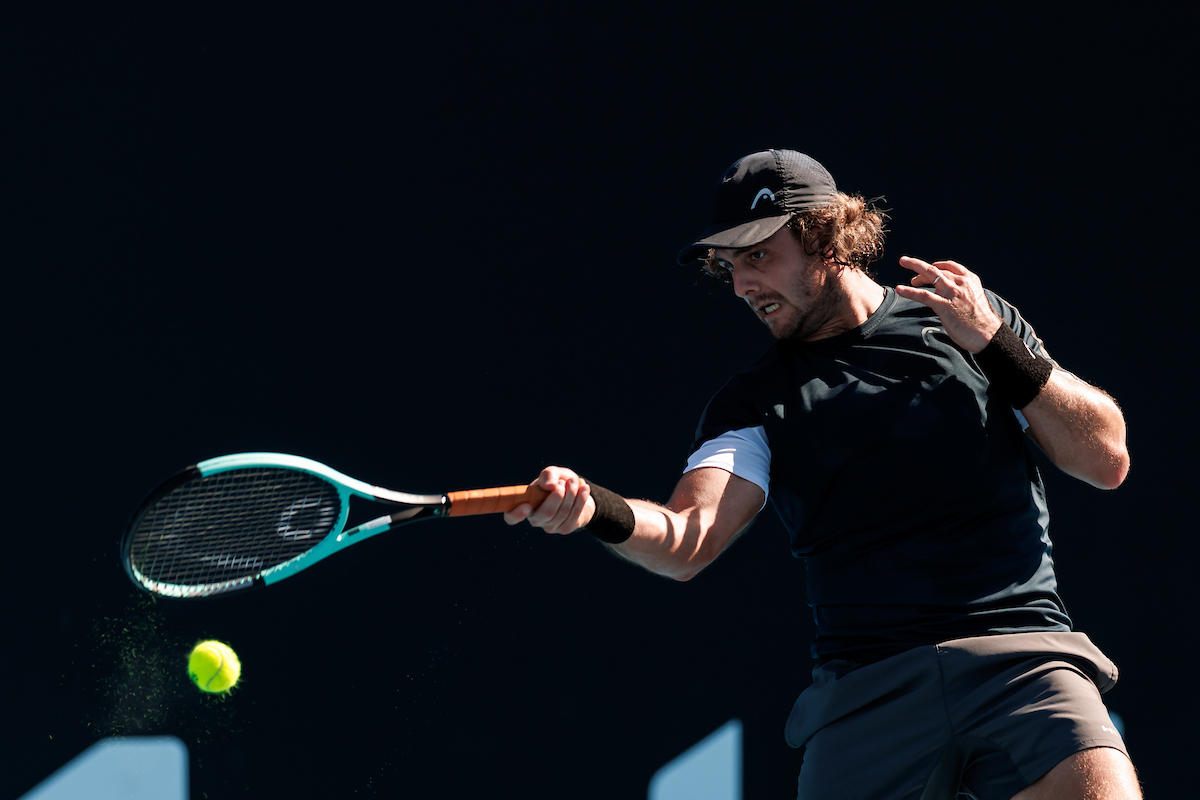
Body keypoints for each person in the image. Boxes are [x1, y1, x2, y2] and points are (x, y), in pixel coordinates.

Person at [504, 149, 1139, 799]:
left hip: (1022, 662)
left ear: (826, 239)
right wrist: (594, 509)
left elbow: (1105, 458)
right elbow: (688, 538)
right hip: (867, 692)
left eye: (758, 255)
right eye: (729, 266)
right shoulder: (753, 404)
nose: (741, 285)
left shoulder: (968, 324)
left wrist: (993, 341)